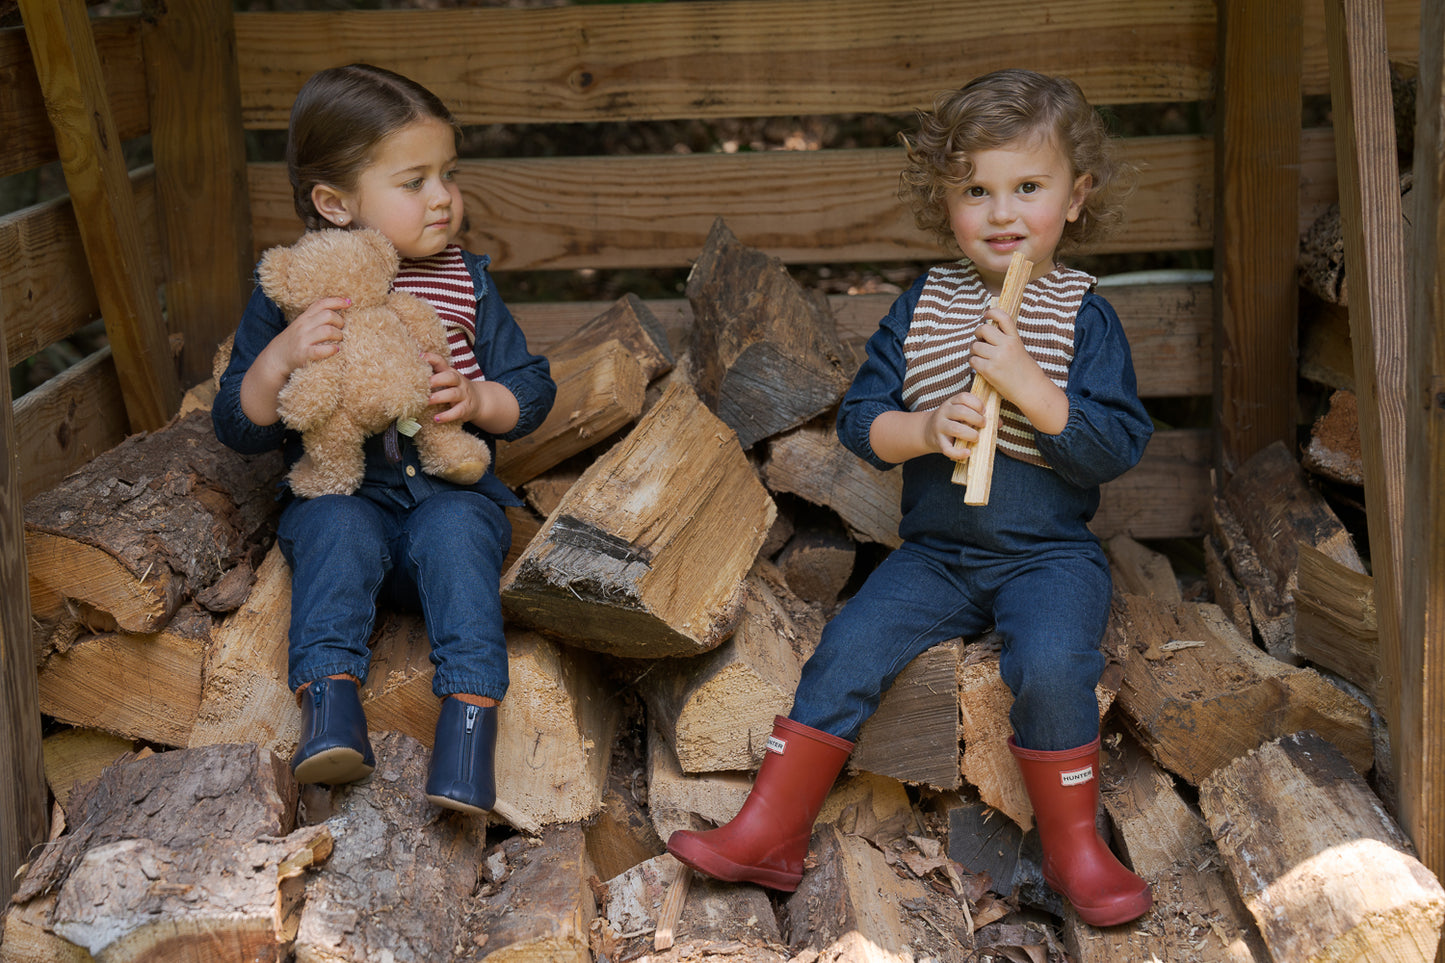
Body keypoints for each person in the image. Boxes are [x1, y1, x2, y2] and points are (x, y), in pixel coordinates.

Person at [667, 69, 1155, 927]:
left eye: (1028, 188)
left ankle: (1075, 850)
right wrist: (928, 429)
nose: (1002, 214)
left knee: (1050, 666)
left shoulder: (1081, 314)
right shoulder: (926, 304)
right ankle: (770, 831)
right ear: (945, 200)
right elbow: (862, 423)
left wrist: (1031, 390)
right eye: (977, 190)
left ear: (1075, 199)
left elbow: (1113, 446)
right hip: (937, 553)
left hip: (1047, 553)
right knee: (846, 647)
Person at [213, 64, 556, 815]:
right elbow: (236, 424)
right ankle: (331, 711)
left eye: (449, 174)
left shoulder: (465, 281)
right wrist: (278, 359)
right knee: (333, 535)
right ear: (334, 203)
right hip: (345, 495)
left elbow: (531, 388)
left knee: (462, 537)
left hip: (447, 494)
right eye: (414, 181)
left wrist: (477, 398)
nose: (442, 197)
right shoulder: (294, 291)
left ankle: (469, 730)